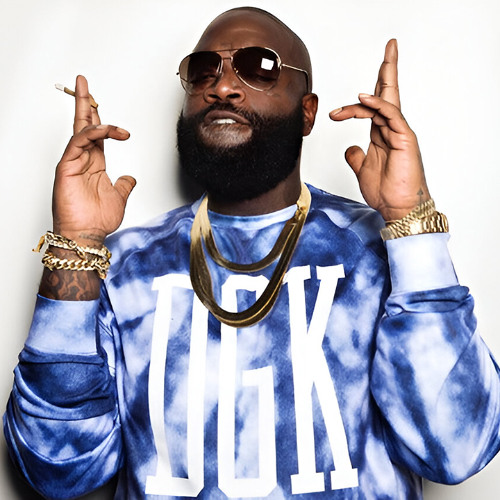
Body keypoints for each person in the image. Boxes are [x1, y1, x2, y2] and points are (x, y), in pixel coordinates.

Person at [4, 6, 500, 499]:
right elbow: (57, 470)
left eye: (259, 67)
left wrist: (410, 219)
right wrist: (77, 243)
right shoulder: (126, 265)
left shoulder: (378, 252)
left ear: (307, 111)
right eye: (204, 70)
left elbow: (457, 450)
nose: (222, 86)